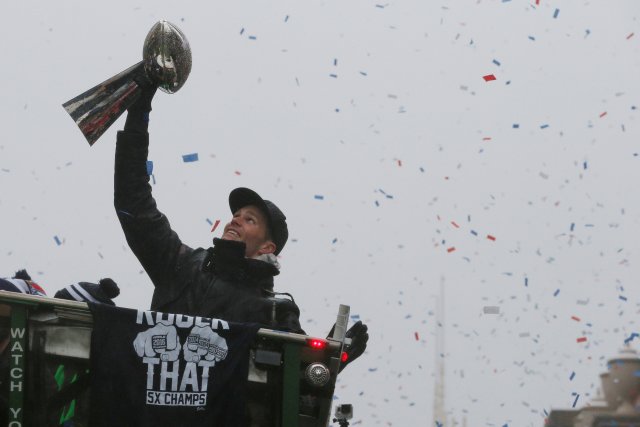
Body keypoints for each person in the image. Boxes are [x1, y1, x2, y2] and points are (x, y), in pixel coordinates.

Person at [113, 76, 368, 368]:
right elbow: (133, 202)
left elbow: (302, 376)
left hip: (222, 415)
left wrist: (334, 357)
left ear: (266, 246)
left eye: (250, 220)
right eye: (236, 214)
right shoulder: (181, 264)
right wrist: (138, 113)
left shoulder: (274, 311)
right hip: (151, 410)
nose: (236, 220)